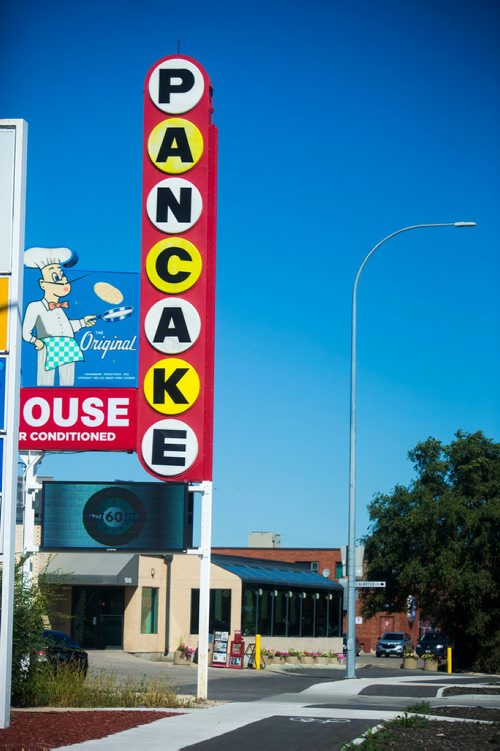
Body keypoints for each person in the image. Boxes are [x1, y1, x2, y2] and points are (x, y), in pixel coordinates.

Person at [22, 247, 96, 386]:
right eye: (56, 277)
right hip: (48, 346)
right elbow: (25, 332)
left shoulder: (60, 308)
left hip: (68, 344)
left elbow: (65, 327)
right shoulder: (35, 306)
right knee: (45, 382)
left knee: (68, 383)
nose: (64, 281)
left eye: (62, 275)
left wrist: (83, 322)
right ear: (43, 284)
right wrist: (35, 341)